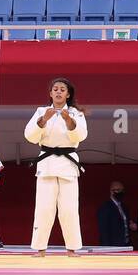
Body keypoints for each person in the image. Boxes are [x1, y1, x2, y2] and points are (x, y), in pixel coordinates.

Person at [24, 76, 88, 257]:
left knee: (69, 209)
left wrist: (69, 121)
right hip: (47, 163)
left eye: (62, 89)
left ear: (68, 95)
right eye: (55, 89)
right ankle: (40, 248)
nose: (58, 92)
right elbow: (30, 136)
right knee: (44, 208)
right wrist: (43, 120)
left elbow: (80, 136)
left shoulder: (76, 113)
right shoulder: (41, 111)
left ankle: (72, 248)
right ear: (50, 93)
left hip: (67, 164)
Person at [96, 180, 134, 247]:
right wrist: (107, 248)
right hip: (113, 245)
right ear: (111, 191)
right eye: (118, 190)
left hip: (126, 244)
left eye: (122, 190)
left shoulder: (125, 207)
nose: (120, 192)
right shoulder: (105, 208)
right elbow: (104, 231)